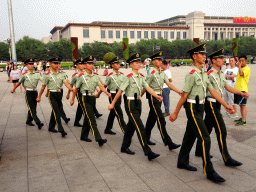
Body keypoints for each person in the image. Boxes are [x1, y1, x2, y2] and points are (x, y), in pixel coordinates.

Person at [169, 44, 235, 183]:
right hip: (192, 108)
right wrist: (175, 112)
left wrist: (226, 105)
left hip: (201, 108)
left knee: (190, 135)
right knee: (205, 138)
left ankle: (182, 161)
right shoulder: (192, 75)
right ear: (194, 56)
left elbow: (213, 91)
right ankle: (209, 170)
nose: (205, 56)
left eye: (205, 54)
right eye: (201, 54)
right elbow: (184, 96)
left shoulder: (204, 74)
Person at [194, 49, 248, 168]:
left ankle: (198, 150)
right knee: (221, 130)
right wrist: (226, 105)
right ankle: (226, 158)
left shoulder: (220, 74)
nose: (223, 60)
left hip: (217, 104)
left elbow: (227, 87)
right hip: (211, 104)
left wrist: (241, 93)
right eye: (220, 58)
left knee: (207, 128)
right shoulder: (209, 74)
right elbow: (213, 92)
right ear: (213, 60)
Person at [108, 53, 162, 160]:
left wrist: (156, 96)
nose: (139, 64)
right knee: (139, 127)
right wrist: (113, 103)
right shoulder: (128, 77)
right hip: (130, 103)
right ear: (131, 64)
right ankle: (148, 152)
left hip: (138, 102)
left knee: (131, 126)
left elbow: (147, 88)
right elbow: (120, 91)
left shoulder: (141, 77)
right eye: (136, 63)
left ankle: (124, 146)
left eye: (139, 62)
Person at [143, 52, 181, 150]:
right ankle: (168, 142)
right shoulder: (151, 74)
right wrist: (140, 96)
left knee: (152, 118)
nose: (160, 61)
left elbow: (169, 84)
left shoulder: (162, 73)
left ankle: (145, 138)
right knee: (160, 119)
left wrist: (178, 92)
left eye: (161, 60)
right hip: (153, 97)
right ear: (153, 61)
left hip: (159, 96)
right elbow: (145, 86)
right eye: (158, 60)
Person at [70, 55, 110, 146]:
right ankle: (99, 139)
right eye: (89, 63)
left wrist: (107, 93)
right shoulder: (81, 76)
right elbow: (76, 89)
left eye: (92, 63)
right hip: (85, 98)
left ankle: (83, 136)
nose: (91, 65)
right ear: (85, 65)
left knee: (87, 117)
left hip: (92, 98)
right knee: (92, 119)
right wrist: (72, 99)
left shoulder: (95, 76)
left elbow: (100, 86)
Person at [36, 57, 73, 137]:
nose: (57, 65)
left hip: (59, 94)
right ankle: (61, 129)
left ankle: (51, 127)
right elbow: (43, 87)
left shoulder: (61, 74)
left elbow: (66, 83)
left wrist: (71, 89)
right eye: (55, 63)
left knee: (55, 110)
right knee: (57, 112)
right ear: (50, 64)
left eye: (58, 63)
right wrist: (39, 97)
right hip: (52, 95)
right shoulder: (47, 75)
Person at [96, 56, 127, 135]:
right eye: (116, 64)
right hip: (112, 95)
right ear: (112, 65)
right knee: (119, 113)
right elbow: (104, 86)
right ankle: (126, 132)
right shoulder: (110, 75)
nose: (118, 65)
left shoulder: (122, 75)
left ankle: (107, 129)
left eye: (118, 63)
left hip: (119, 95)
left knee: (113, 113)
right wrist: (99, 93)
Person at [11, 59, 44, 129]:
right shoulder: (24, 75)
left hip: (35, 92)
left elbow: (42, 81)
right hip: (28, 93)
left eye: (32, 64)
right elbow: (19, 83)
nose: (32, 65)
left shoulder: (37, 74)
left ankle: (28, 120)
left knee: (33, 107)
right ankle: (38, 122)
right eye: (30, 64)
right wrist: (14, 89)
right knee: (32, 108)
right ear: (26, 66)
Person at [66, 58, 85, 127]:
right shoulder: (75, 75)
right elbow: (71, 85)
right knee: (83, 106)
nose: (82, 65)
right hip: (79, 92)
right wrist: (68, 94)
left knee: (80, 107)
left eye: (83, 64)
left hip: (86, 92)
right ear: (77, 66)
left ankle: (76, 122)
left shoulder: (86, 73)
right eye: (80, 64)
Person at [234, 55, 251, 126]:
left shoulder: (247, 69)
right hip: (237, 89)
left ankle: (244, 121)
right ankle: (242, 118)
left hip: (243, 89)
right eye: (239, 61)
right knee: (240, 105)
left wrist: (239, 67)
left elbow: (241, 74)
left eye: (242, 61)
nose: (241, 62)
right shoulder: (240, 68)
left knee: (243, 105)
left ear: (246, 61)